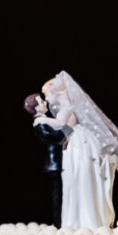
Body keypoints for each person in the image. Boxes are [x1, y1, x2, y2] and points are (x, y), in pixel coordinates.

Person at [39, 72, 118, 231]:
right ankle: (78, 220)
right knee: (75, 178)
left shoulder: (66, 104)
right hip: (76, 141)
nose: (47, 100)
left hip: (79, 143)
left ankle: (84, 222)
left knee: (80, 176)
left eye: (46, 96)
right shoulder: (65, 104)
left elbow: (63, 123)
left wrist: (42, 119)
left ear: (54, 91)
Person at [24, 91, 67, 225]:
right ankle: (58, 223)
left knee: (61, 195)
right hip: (54, 164)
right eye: (41, 102)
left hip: (57, 163)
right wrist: (67, 128)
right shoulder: (40, 124)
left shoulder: (44, 120)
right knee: (57, 196)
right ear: (36, 107)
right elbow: (57, 138)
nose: (45, 103)